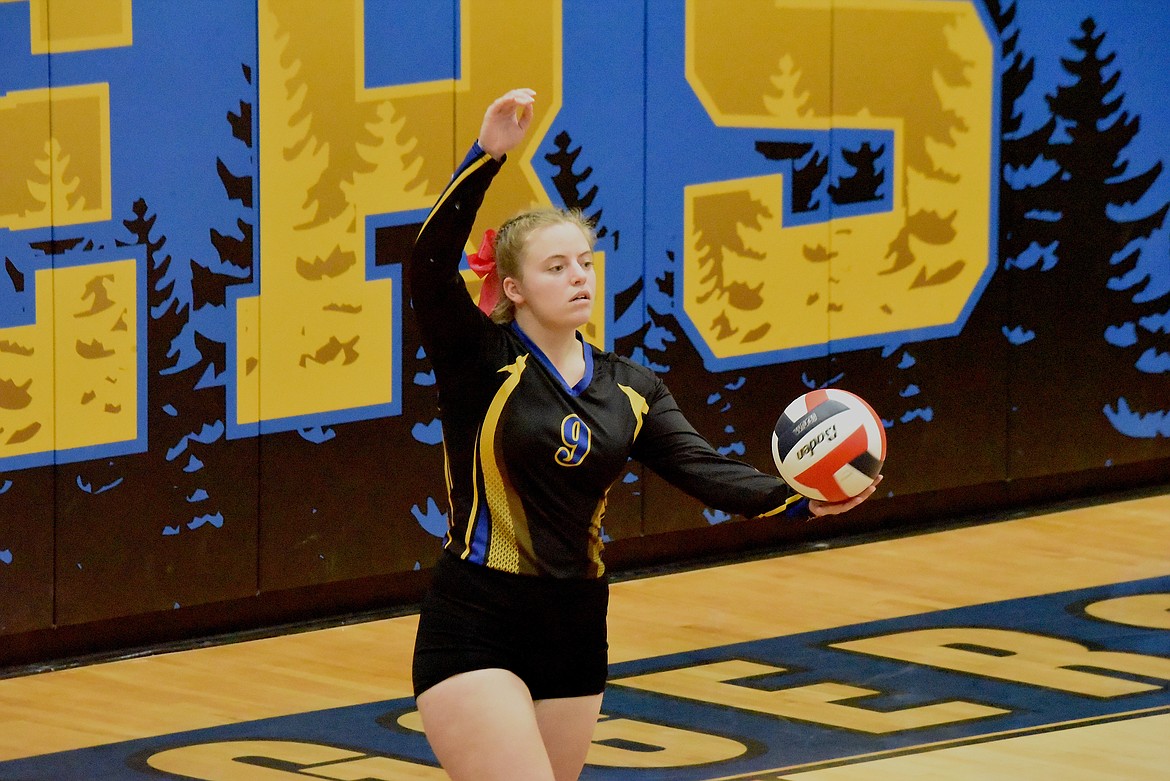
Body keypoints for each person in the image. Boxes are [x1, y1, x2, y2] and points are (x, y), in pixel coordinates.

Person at [408, 87, 880, 781]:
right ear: (513, 287)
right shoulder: (480, 362)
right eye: (556, 266)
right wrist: (487, 156)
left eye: (586, 263)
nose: (579, 277)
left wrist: (799, 499)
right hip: (477, 617)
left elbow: (702, 467)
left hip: (575, 625)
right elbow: (424, 264)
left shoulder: (630, 387)